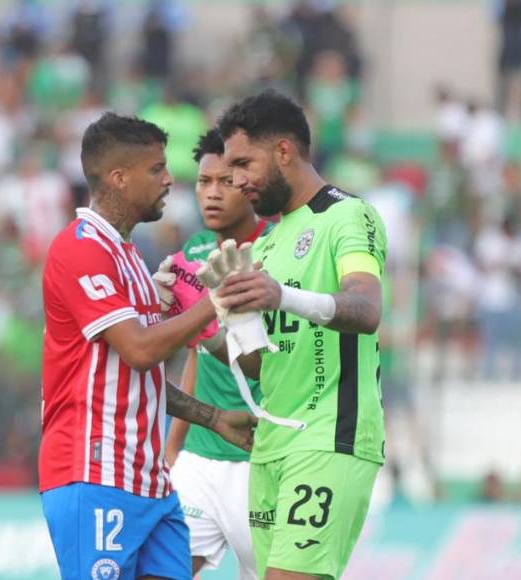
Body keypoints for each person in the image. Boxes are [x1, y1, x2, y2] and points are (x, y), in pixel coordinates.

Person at [39, 112, 257, 580]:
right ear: (119, 178)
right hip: (94, 473)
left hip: (150, 481)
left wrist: (212, 418)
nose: (169, 179)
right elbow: (140, 350)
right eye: (156, 169)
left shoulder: (131, 257)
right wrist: (215, 301)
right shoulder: (80, 248)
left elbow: (137, 375)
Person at [214, 91, 388, 580]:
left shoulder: (347, 215)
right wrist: (227, 319)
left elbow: (367, 309)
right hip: (271, 444)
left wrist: (281, 295)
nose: (236, 181)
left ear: (284, 151)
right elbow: (260, 365)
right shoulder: (267, 242)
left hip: (329, 435)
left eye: (243, 164)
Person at [162, 128, 269, 579]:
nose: (212, 193)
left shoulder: (275, 252)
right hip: (200, 458)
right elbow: (196, 355)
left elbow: (266, 365)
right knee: (162, 571)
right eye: (204, 182)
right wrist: (173, 448)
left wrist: (209, 328)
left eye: (226, 181)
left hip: (259, 457)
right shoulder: (194, 252)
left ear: (249, 184)